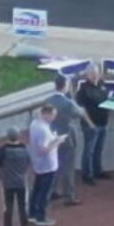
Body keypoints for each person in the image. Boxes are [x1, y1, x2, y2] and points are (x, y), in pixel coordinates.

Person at [46, 75, 90, 207]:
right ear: (65, 85)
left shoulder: (48, 100)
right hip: (67, 136)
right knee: (68, 167)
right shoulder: (68, 103)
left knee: (54, 164)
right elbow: (80, 113)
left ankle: (52, 190)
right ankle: (69, 196)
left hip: (52, 135)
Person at [0, 127, 33, 226]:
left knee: (7, 207)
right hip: (21, 182)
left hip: (7, 182)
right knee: (23, 207)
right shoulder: (25, 149)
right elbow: (28, 163)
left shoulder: (3, 150)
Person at [27, 104, 63, 226]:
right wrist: (57, 142)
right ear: (46, 114)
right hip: (47, 164)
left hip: (39, 163)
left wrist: (53, 139)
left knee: (37, 188)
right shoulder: (42, 129)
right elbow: (43, 149)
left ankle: (31, 214)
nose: (54, 117)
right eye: (53, 115)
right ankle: (41, 217)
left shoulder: (34, 124)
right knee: (44, 191)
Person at [75, 67, 112, 183]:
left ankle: (98, 170)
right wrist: (90, 123)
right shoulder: (83, 90)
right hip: (91, 125)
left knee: (99, 149)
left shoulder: (103, 85)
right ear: (87, 75)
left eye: (96, 73)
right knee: (89, 150)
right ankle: (87, 175)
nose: (94, 76)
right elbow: (82, 110)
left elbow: (108, 100)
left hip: (103, 122)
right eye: (92, 74)